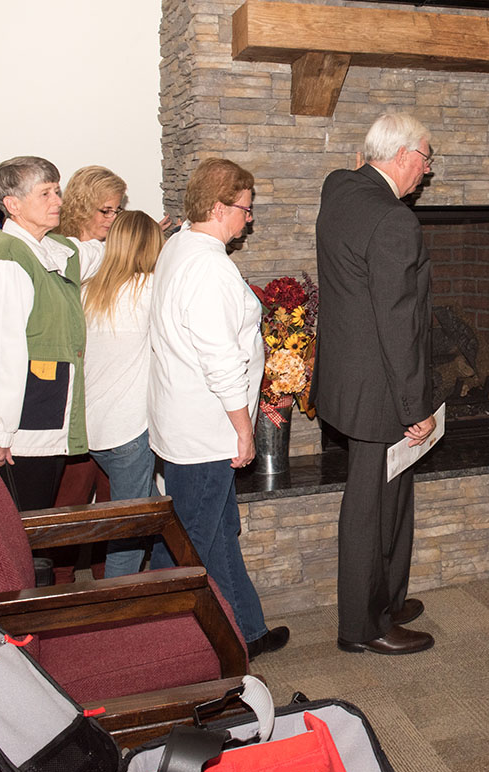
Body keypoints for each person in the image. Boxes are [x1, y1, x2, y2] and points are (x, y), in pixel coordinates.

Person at [148, 157, 289, 661]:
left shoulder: (180, 246)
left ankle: (247, 628)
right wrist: (243, 430)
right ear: (216, 207)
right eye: (244, 210)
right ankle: (190, 643)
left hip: (186, 423)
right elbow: (220, 359)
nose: (248, 219)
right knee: (195, 544)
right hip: (206, 429)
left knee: (218, 531)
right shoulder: (207, 266)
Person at [314, 112, 436, 655]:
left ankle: (385, 596)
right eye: (426, 159)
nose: (427, 172)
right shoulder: (394, 221)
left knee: (392, 497)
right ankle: (363, 626)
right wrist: (416, 404)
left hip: (348, 381)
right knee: (373, 507)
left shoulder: (339, 187)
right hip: (380, 390)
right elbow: (398, 321)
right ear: (405, 155)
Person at [0, 156, 102, 511]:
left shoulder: (50, 249)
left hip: (37, 424)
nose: (58, 201)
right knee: (17, 537)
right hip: (15, 437)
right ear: (12, 205)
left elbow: (95, 254)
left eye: (57, 191)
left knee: (32, 531)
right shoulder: (6, 263)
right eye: (45, 193)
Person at [82, 210, 162, 576]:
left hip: (93, 431)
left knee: (158, 513)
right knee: (129, 536)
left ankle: (173, 589)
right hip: (130, 428)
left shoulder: (89, 290)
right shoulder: (149, 288)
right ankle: (114, 621)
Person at [53, 166, 130, 507]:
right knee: (71, 497)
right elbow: (87, 261)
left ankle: (110, 564)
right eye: (106, 211)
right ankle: (55, 564)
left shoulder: (103, 250)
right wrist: (134, 245)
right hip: (74, 393)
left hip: (110, 392)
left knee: (114, 498)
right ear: (83, 207)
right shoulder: (65, 251)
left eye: (118, 211)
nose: (113, 218)